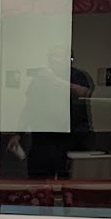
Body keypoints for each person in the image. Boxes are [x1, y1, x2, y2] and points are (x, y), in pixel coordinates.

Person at [20, 49, 95, 179]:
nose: (52, 59)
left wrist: (55, 80)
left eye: (57, 56)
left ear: (69, 59)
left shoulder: (77, 75)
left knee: (69, 178)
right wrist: (18, 134)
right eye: (51, 55)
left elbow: (84, 93)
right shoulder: (40, 79)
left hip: (72, 136)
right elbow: (29, 107)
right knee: (38, 178)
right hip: (43, 137)